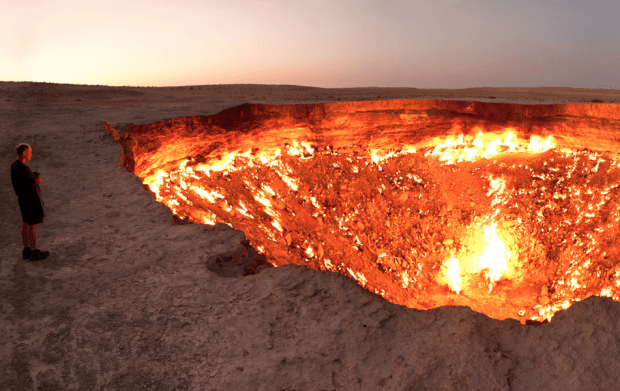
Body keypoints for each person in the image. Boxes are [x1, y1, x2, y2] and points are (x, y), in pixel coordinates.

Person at [11, 144, 49, 261]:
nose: (31, 154)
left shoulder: (14, 166)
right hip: (30, 201)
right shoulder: (24, 168)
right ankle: (33, 251)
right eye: (30, 152)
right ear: (24, 153)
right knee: (32, 226)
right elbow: (33, 182)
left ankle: (26, 249)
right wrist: (38, 180)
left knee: (25, 224)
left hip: (22, 200)